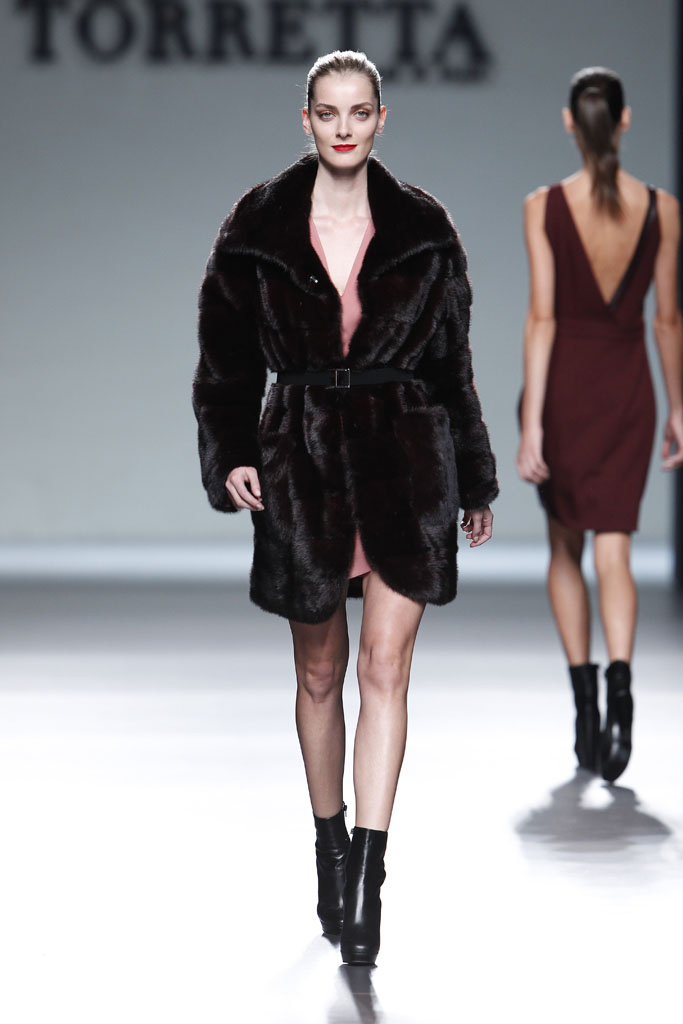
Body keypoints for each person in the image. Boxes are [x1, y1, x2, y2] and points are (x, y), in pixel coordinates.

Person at [193, 50, 498, 965]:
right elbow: (223, 361)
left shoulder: (423, 228)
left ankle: (368, 873)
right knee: (321, 674)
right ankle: (328, 847)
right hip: (304, 461)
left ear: (379, 118)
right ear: (306, 118)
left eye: (358, 112)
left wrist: (474, 477)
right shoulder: (257, 226)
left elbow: (451, 365)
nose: (342, 128)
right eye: (327, 112)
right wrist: (230, 451)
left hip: (406, 460)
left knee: (384, 671)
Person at [517, 67, 683, 783]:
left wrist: (531, 424)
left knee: (565, 549)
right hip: (626, 391)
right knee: (614, 550)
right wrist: (679, 407)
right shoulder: (662, 209)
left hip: (564, 391)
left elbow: (543, 318)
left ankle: (584, 707)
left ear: (568, 123)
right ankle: (621, 695)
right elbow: (667, 321)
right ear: (623, 120)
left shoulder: (543, 207)